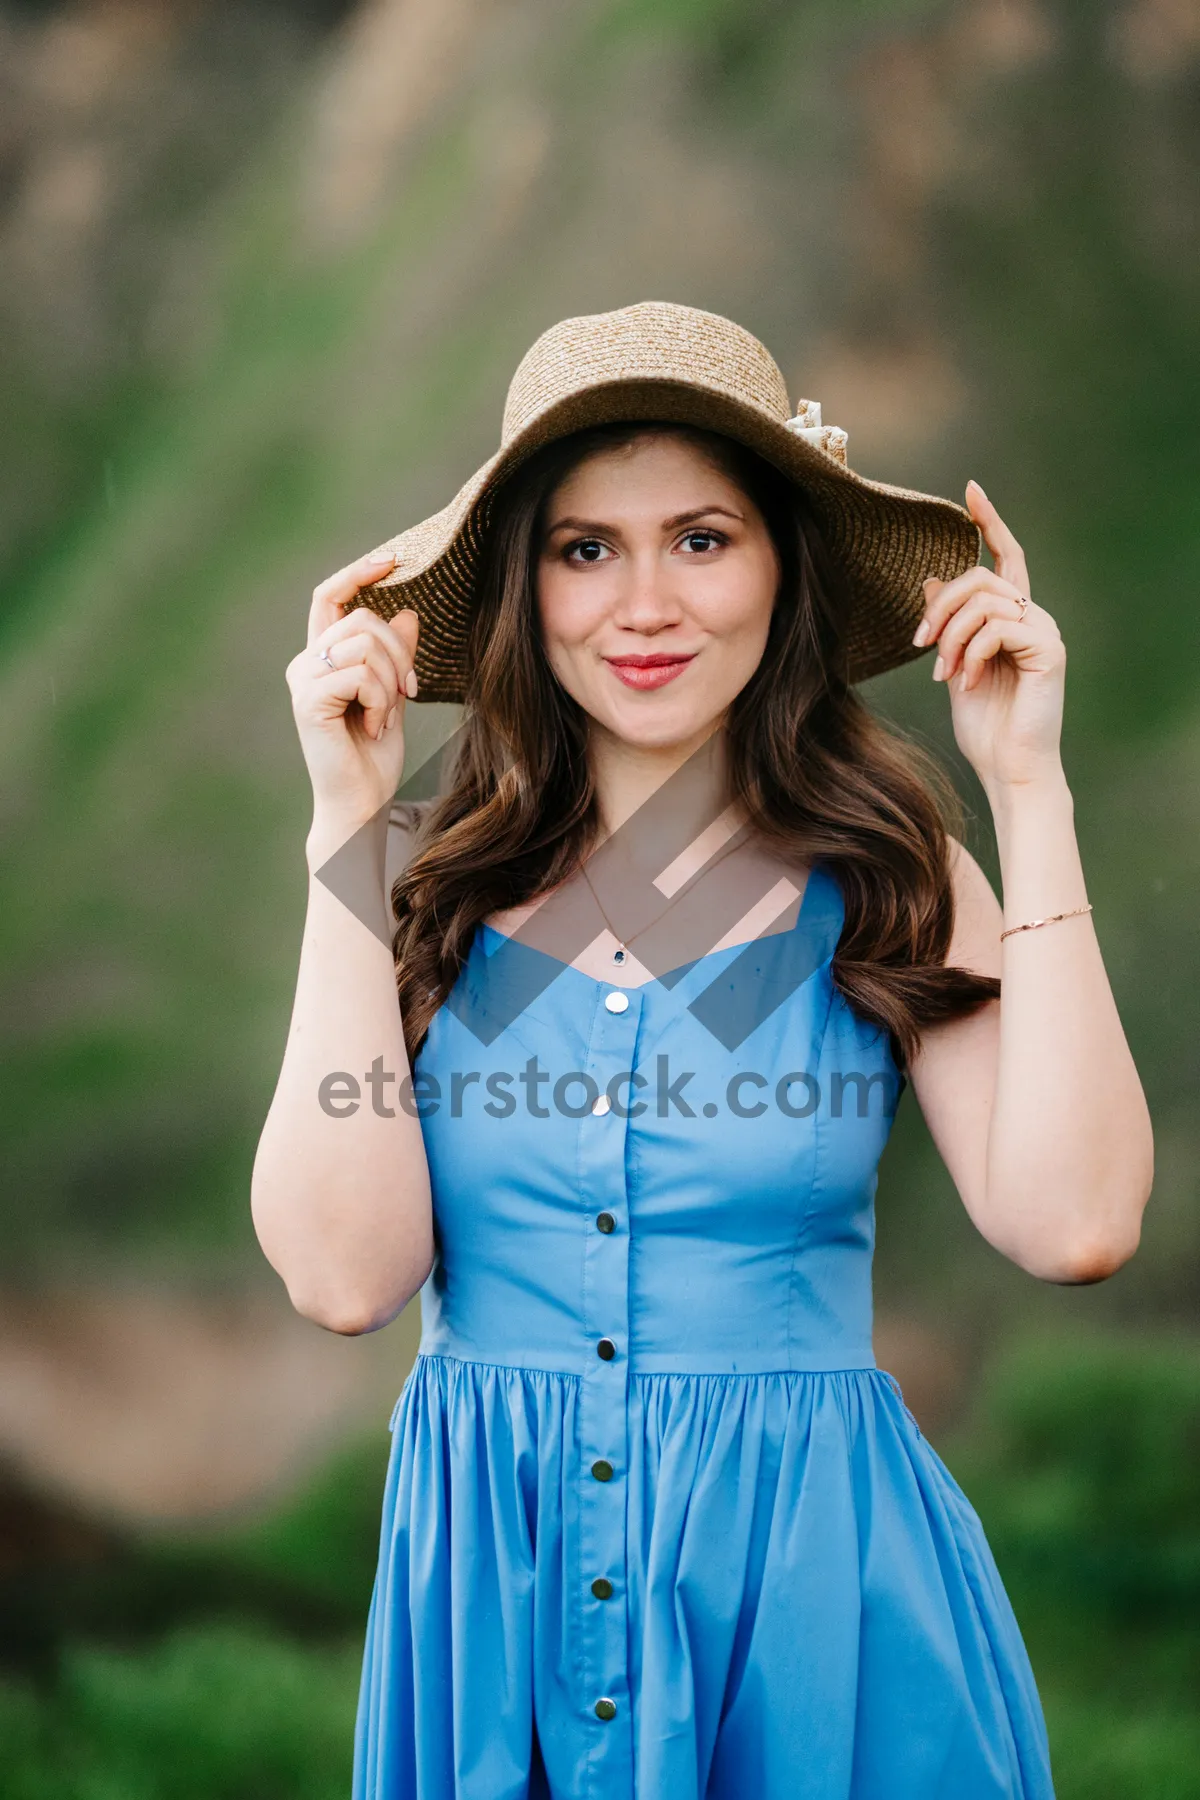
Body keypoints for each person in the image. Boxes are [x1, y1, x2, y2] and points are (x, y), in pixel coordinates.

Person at [251, 302, 1153, 1799]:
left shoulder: (892, 870)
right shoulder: (415, 879)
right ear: (527, 589)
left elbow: (1074, 1223)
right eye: (586, 548)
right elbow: (344, 1279)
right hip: (498, 1629)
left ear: (783, 564)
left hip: (825, 1630)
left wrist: (1028, 788)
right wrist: (343, 826)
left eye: (704, 538)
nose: (645, 604)